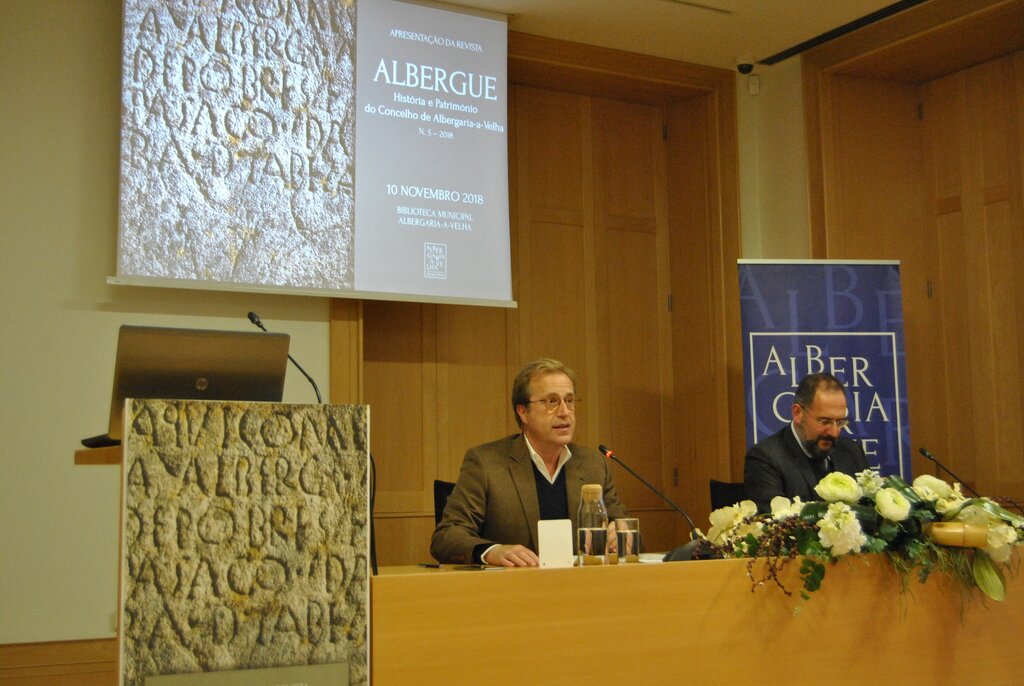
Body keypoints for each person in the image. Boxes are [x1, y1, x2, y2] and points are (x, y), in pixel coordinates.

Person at [430, 358, 628, 566]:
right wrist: (491, 552)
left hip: (581, 588)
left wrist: (622, 534)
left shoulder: (593, 464)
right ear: (522, 411)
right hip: (512, 590)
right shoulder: (486, 463)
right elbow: (446, 537)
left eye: (569, 400)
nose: (564, 412)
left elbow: (627, 529)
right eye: (551, 402)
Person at [743, 372, 869, 512]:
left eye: (840, 422)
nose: (834, 433)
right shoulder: (766, 459)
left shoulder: (852, 452)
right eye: (825, 421)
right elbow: (777, 527)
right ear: (797, 413)